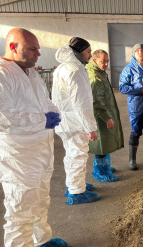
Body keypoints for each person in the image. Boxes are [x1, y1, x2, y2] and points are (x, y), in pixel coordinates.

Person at [0, 28, 71, 246]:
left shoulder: (30, 72)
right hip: (20, 155)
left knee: (40, 200)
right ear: (13, 47)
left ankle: (41, 240)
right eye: (32, 49)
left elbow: (45, 101)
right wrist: (43, 120)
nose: (38, 54)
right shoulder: (3, 73)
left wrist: (54, 113)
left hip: (41, 148)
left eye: (38, 49)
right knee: (21, 208)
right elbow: (4, 116)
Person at [52, 37, 102, 205]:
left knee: (72, 154)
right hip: (74, 121)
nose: (90, 55)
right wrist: (90, 127)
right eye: (88, 52)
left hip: (64, 120)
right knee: (78, 155)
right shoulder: (75, 70)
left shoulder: (63, 68)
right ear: (79, 51)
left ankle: (74, 184)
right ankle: (77, 192)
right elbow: (82, 102)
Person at [86, 49, 124, 182]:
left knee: (106, 140)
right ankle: (100, 172)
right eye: (103, 61)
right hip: (100, 115)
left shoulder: (100, 73)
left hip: (105, 112)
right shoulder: (95, 76)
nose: (106, 64)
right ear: (95, 60)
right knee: (101, 142)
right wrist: (106, 117)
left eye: (107, 61)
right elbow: (97, 100)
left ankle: (105, 167)